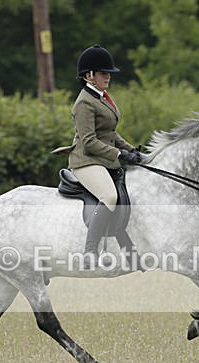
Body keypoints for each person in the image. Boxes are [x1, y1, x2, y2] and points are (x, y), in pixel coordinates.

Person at [60, 45, 143, 268]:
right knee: (109, 196)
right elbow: (89, 141)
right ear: (89, 76)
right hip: (86, 160)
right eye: (103, 73)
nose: (108, 77)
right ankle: (90, 251)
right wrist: (119, 153)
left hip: (103, 159)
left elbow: (110, 133)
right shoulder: (84, 103)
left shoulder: (102, 97)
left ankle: (129, 251)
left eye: (109, 73)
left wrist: (132, 150)